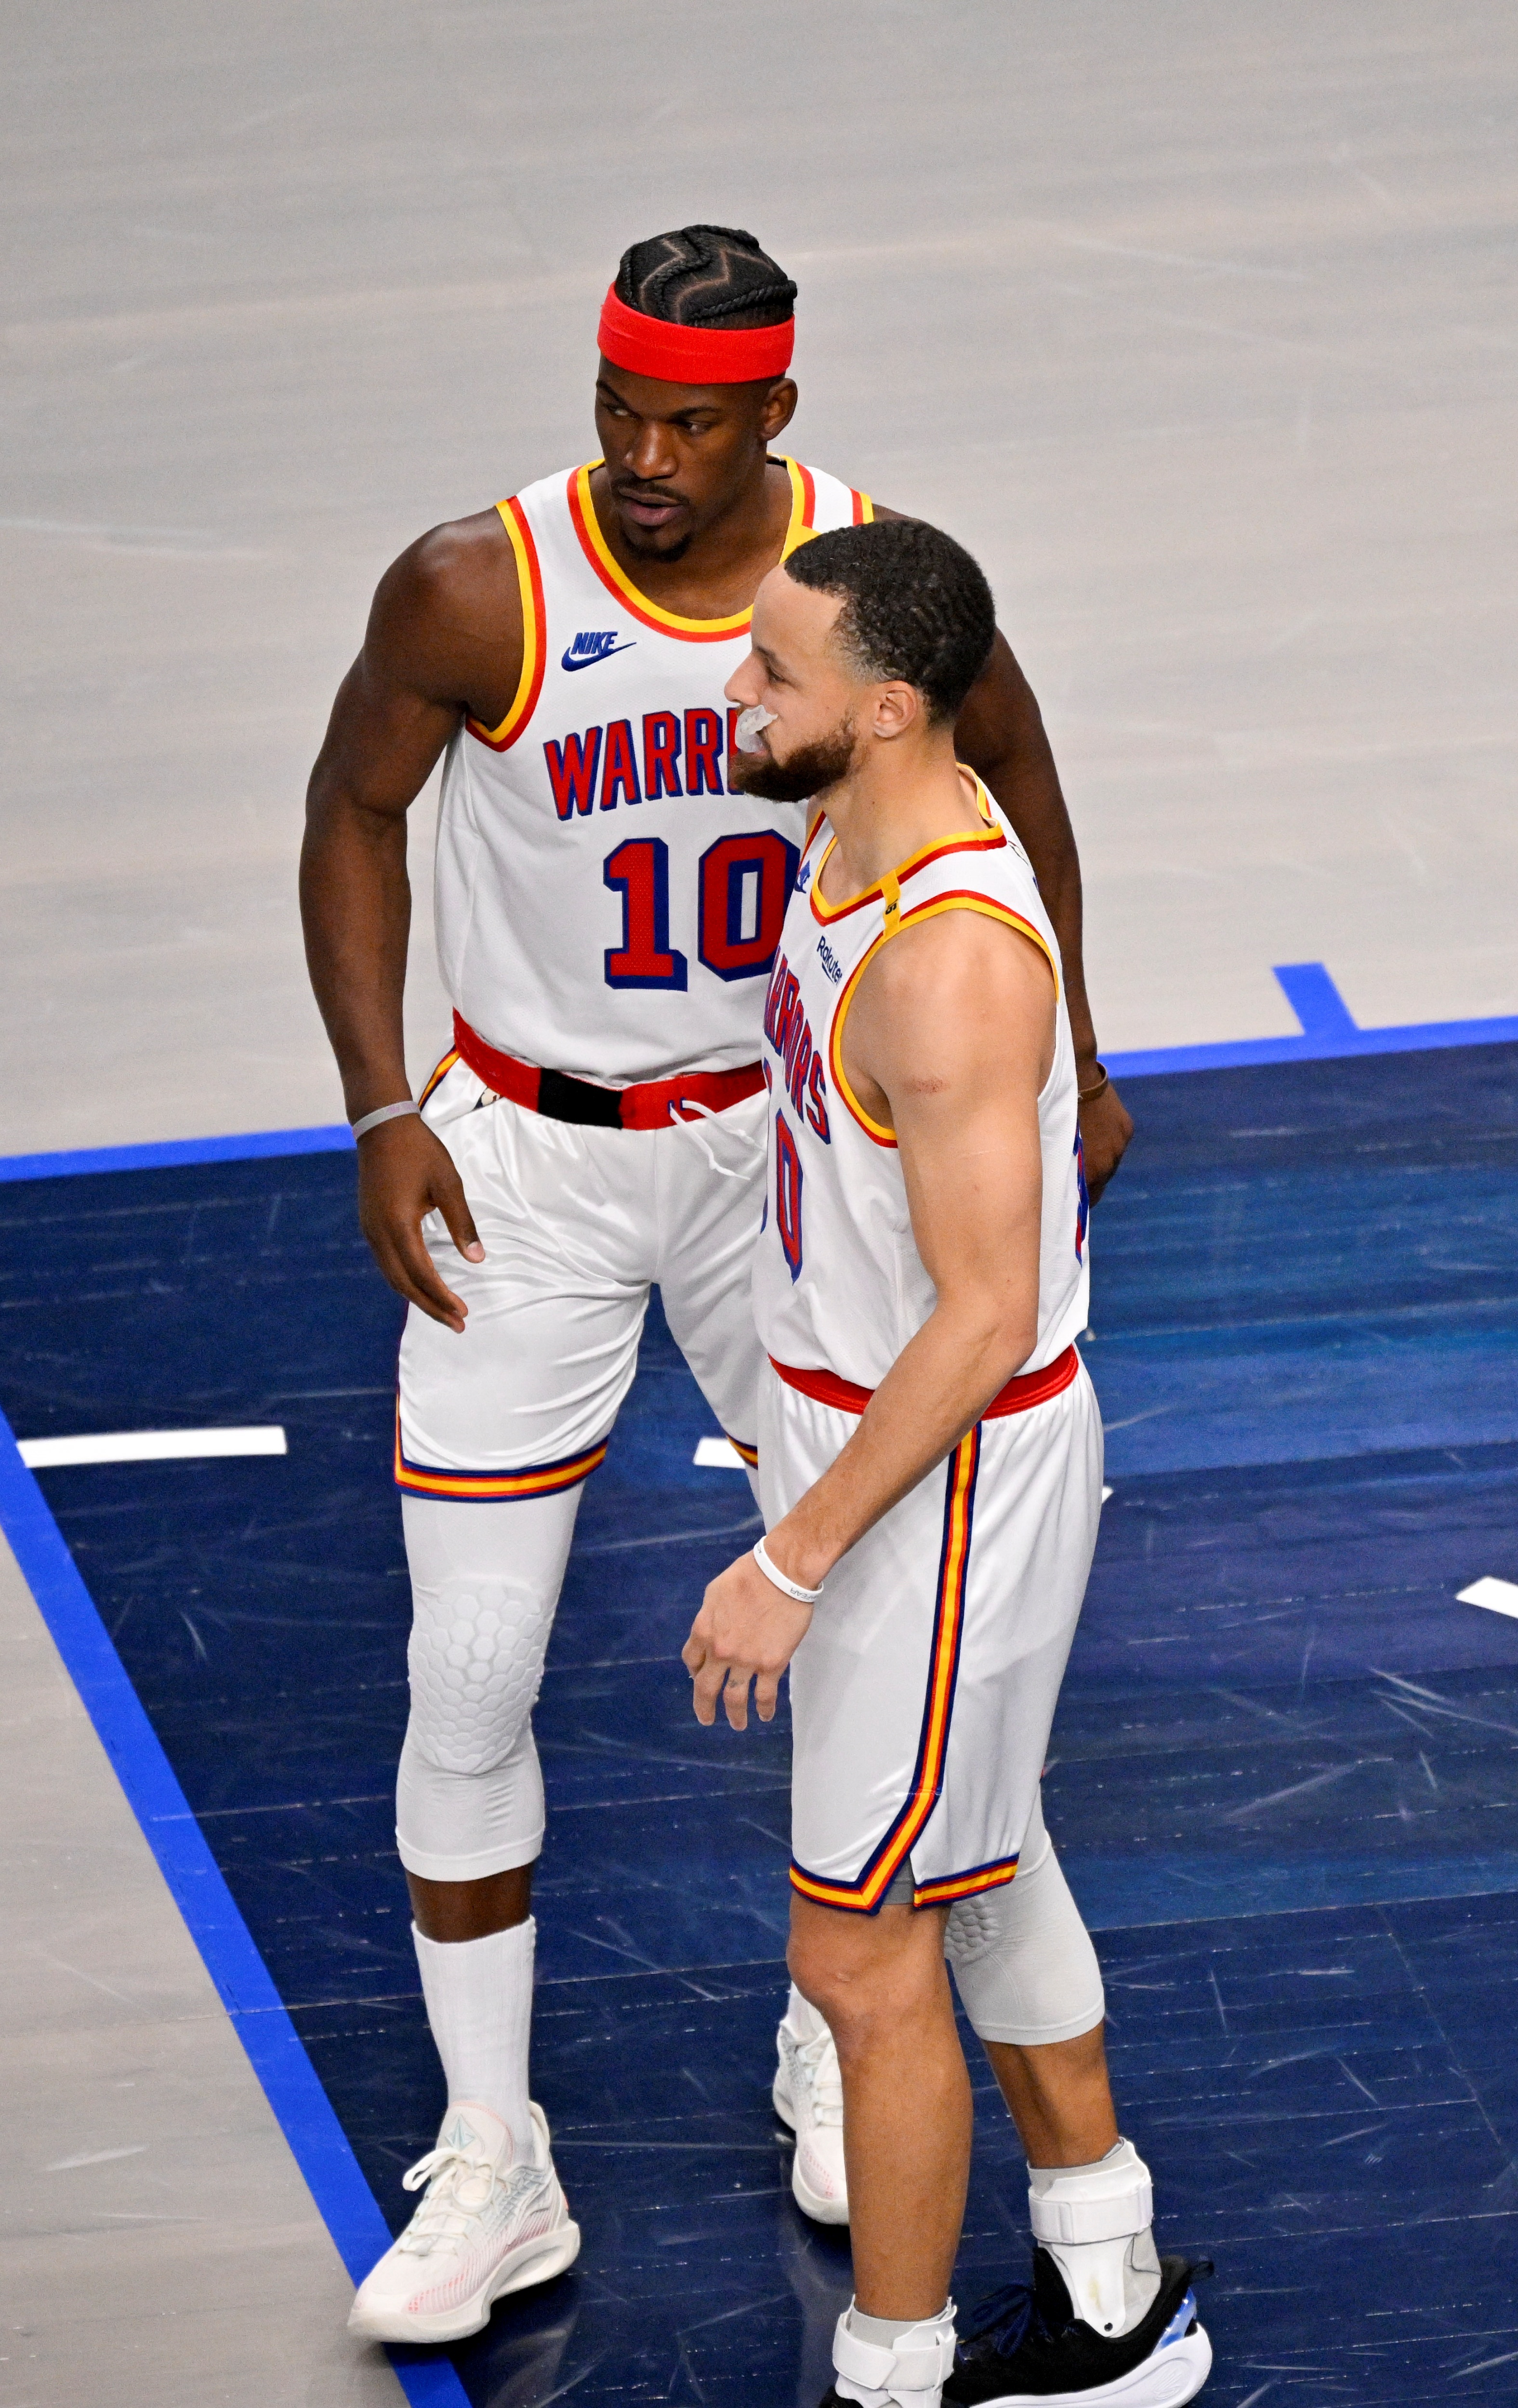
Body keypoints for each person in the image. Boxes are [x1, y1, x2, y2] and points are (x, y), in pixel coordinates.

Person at [301, 223, 1133, 2343]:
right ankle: (493, 2153)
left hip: (787, 1143)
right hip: (530, 1151)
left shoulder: (867, 592)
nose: (645, 456)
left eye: (689, 422)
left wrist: (1076, 1047)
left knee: (861, 1617)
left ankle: (838, 2023)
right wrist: (380, 1103)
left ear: (776, 410)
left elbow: (1016, 771)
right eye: (617, 411)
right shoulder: (478, 586)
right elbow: (352, 809)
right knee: (471, 1666)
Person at [683, 520, 1210, 2407]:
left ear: (892, 708)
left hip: (944, 1474)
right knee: (978, 1860)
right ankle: (1107, 2284)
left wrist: (792, 1554)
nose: (736, 692)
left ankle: (889, 2375)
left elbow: (981, 1317)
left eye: (774, 671)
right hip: (876, 1434)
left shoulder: (949, 964)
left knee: (855, 1955)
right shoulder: (853, 822)